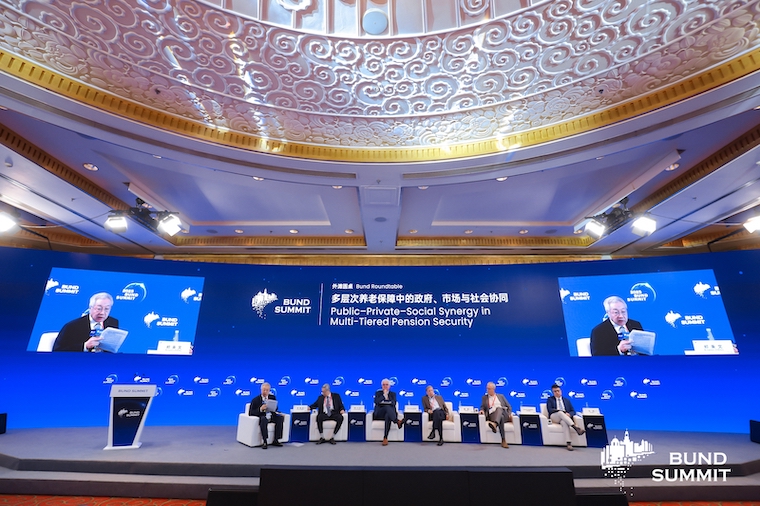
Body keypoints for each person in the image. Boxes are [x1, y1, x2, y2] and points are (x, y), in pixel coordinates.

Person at [53, 292, 118, 352]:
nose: (102, 313)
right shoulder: (72, 326)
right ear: (90, 308)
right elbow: (57, 351)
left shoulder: (113, 323)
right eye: (99, 308)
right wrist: (85, 346)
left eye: (107, 309)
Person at [546, 384, 585, 451]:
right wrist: (562, 412)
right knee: (560, 413)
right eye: (555, 391)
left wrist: (569, 414)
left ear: (561, 391)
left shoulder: (567, 400)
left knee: (564, 422)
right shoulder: (550, 399)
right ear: (553, 392)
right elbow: (550, 410)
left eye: (558, 391)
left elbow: (573, 411)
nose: (557, 392)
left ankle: (568, 443)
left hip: (565, 418)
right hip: (554, 417)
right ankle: (575, 428)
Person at [248, 382, 284, 449]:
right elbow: (251, 412)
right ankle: (265, 441)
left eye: (267, 390)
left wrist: (275, 409)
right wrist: (260, 409)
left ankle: (276, 440)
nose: (265, 392)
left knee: (280, 418)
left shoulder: (272, 397)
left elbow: (276, 408)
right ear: (261, 390)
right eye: (263, 390)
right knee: (263, 420)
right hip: (262, 416)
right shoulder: (255, 400)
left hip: (271, 415)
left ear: (269, 390)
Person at [479, 381, 512, 448]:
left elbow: (509, 407)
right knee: (501, 417)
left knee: (499, 408)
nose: (488, 390)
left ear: (493, 389)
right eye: (487, 388)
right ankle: (503, 440)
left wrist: (509, 414)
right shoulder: (484, 398)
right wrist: (482, 410)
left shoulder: (501, 396)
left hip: (504, 414)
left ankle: (495, 424)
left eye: (489, 389)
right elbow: (482, 407)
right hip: (492, 415)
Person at [373, 378, 404, 446]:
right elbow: (376, 402)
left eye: (386, 385)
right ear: (381, 386)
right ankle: (397, 421)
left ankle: (385, 438)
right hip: (380, 413)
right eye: (383, 385)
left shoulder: (393, 394)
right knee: (387, 407)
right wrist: (384, 396)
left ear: (389, 386)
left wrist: (384, 402)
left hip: (390, 414)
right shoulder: (378, 393)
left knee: (388, 415)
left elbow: (393, 403)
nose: (385, 386)